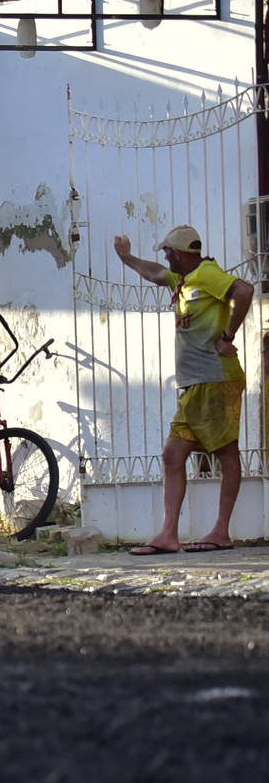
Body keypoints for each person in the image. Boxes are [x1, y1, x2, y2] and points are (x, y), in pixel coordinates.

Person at [113, 226, 254, 552]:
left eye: (167, 252)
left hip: (217, 380)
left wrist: (227, 337)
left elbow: (244, 291)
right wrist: (127, 257)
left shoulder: (206, 273)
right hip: (194, 386)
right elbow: (155, 273)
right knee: (172, 455)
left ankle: (221, 531)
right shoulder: (183, 279)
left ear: (179, 253)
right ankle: (168, 535)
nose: (164, 257)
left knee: (226, 454)